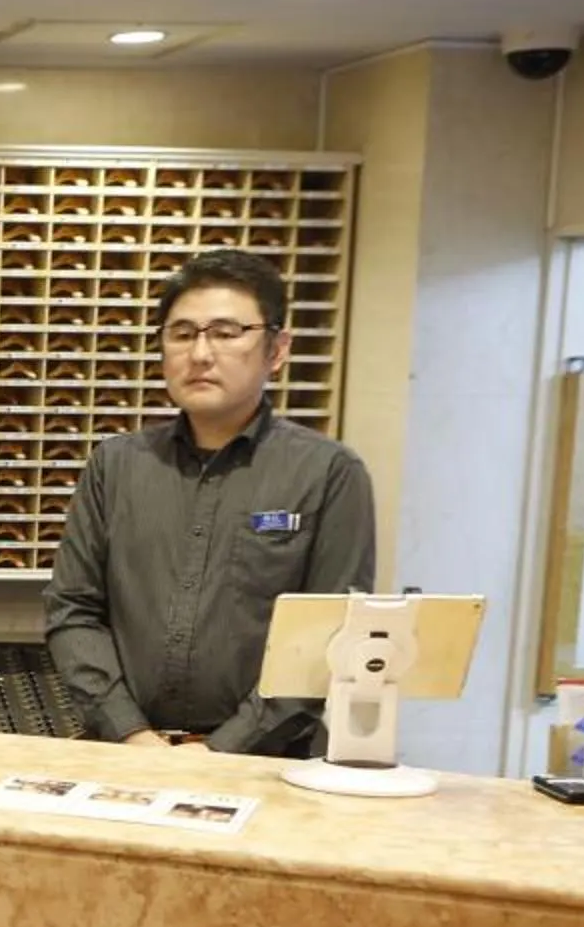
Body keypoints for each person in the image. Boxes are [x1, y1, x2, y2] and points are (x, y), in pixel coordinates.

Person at [44, 248, 376, 758]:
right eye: (182, 333)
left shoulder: (329, 473)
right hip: (125, 753)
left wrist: (220, 751)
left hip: (267, 762)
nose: (200, 354)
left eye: (225, 332)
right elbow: (73, 610)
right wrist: (130, 733)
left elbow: (328, 637)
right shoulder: (115, 465)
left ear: (277, 349)